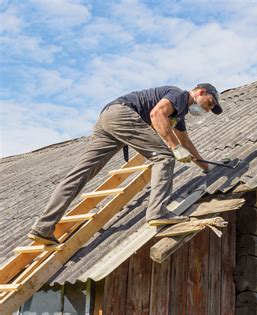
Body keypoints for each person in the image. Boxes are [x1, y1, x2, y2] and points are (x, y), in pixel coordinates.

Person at [28, 83, 222, 245]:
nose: (206, 109)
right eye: (209, 103)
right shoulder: (179, 95)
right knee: (164, 157)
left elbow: (186, 143)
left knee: (81, 174)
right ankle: (158, 211)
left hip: (108, 117)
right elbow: (156, 115)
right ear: (201, 91)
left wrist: (207, 167)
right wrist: (174, 148)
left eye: (210, 109)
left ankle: (43, 227)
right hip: (123, 114)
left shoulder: (178, 114)